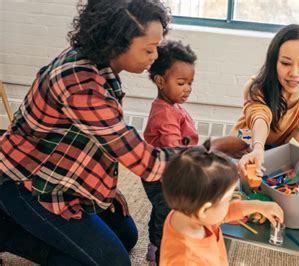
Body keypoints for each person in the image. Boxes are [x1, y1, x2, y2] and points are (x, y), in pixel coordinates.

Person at [0, 0, 244, 264]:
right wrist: (214, 148)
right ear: (117, 42)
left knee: (127, 235)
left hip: (60, 176)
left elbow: (100, 140)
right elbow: (145, 161)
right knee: (115, 263)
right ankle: (7, 232)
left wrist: (103, 187)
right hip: (28, 186)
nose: (156, 57)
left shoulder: (101, 65)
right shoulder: (80, 84)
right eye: (149, 50)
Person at [159, 140, 284, 265]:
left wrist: (259, 206)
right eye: (227, 200)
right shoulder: (184, 260)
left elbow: (224, 213)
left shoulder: (189, 213)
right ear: (204, 209)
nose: (230, 202)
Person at [232, 24, 299, 174]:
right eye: (285, 63)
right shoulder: (256, 87)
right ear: (274, 61)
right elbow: (260, 116)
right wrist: (258, 149)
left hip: (278, 152)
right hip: (245, 146)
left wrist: (298, 130)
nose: (294, 73)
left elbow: (294, 149)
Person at [141, 40, 198, 263]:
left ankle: (155, 245)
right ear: (161, 81)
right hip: (161, 175)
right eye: (182, 82)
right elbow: (173, 151)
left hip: (169, 172)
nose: (188, 88)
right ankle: (161, 252)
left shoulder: (172, 106)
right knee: (167, 212)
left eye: (190, 83)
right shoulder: (164, 115)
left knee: (162, 208)